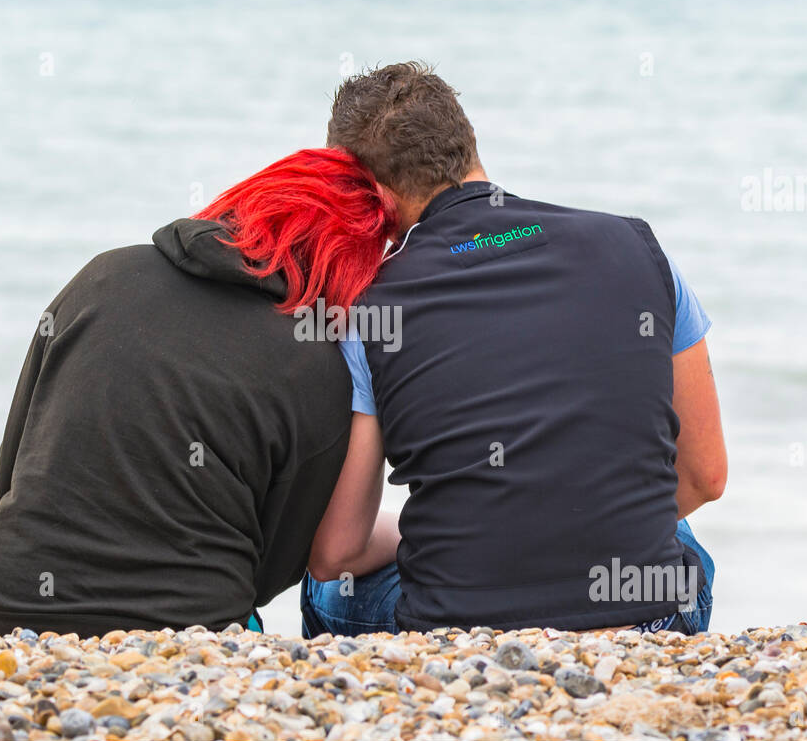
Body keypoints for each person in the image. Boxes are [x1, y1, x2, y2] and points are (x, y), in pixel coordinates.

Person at [302, 62, 727, 636]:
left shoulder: (368, 307)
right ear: (468, 147)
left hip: (453, 629)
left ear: (370, 194)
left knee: (326, 587)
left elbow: (338, 552)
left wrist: (455, 528)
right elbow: (706, 477)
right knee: (677, 540)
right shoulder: (637, 247)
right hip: (652, 616)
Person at [0, 148, 396, 636]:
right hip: (190, 631)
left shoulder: (102, 277)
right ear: (352, 267)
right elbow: (274, 569)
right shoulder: (319, 367)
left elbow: (10, 477)